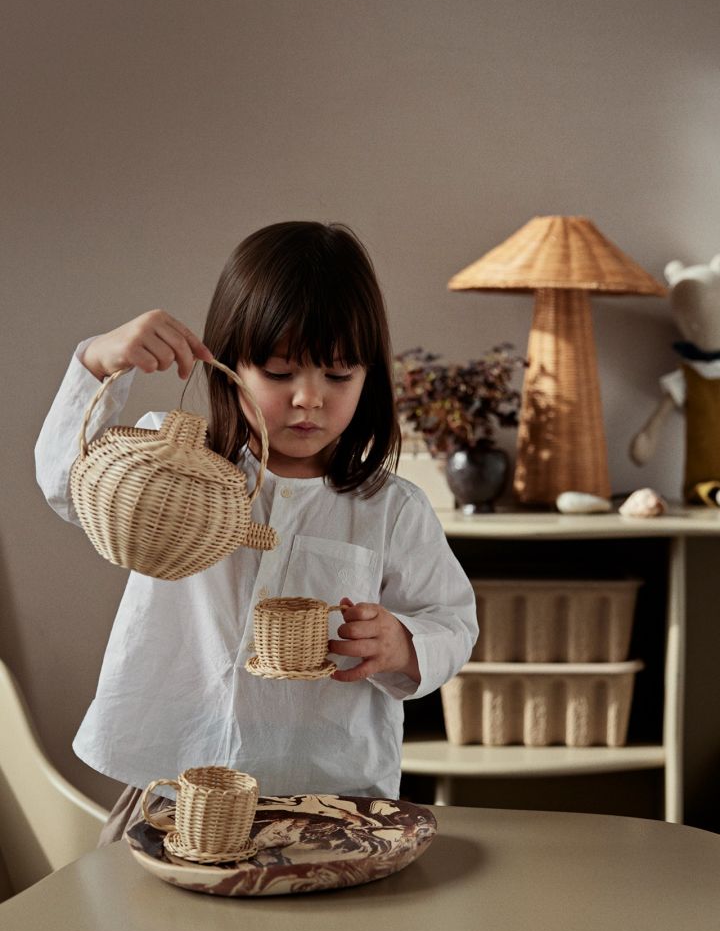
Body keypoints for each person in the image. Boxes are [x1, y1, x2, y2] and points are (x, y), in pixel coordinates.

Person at [35, 221, 478, 842]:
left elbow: (453, 619)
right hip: (172, 784)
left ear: (369, 376)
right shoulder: (173, 464)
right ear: (228, 366)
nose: (309, 399)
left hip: (326, 801)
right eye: (278, 372)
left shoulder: (389, 508)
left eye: (338, 375)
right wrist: (97, 362)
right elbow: (66, 484)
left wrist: (403, 644)